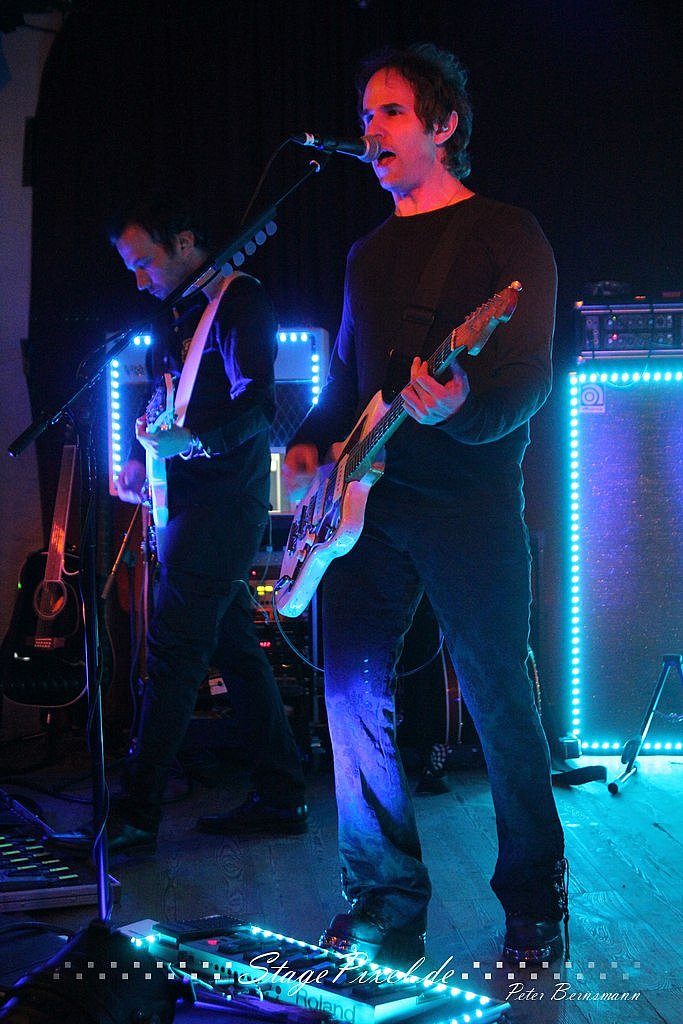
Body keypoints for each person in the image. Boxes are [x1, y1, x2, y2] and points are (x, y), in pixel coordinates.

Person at [283, 43, 567, 967]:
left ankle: (534, 898)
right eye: (365, 115)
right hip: (367, 506)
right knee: (349, 696)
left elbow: (527, 381)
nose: (371, 130)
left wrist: (464, 410)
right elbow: (349, 385)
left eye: (391, 112)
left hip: (469, 504)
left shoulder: (506, 235)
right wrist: (309, 444)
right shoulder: (365, 255)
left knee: (498, 698)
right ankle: (383, 900)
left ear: (443, 125)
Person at [51, 193, 307, 856]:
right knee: (235, 650)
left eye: (145, 262)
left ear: (186, 243)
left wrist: (187, 442)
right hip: (189, 503)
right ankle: (283, 795)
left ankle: (136, 816)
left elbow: (259, 405)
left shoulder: (242, 301)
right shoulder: (178, 314)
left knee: (172, 652)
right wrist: (148, 449)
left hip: (224, 506)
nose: (139, 279)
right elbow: (177, 403)